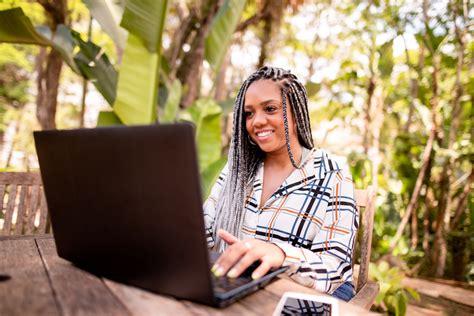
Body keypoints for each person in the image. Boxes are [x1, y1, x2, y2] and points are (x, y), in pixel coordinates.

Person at [203, 66, 358, 301]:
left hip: (292, 299)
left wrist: (280, 254)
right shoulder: (236, 171)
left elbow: (335, 268)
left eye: (270, 109)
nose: (257, 121)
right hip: (234, 292)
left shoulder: (332, 174)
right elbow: (204, 230)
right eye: (249, 113)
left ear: (297, 112)